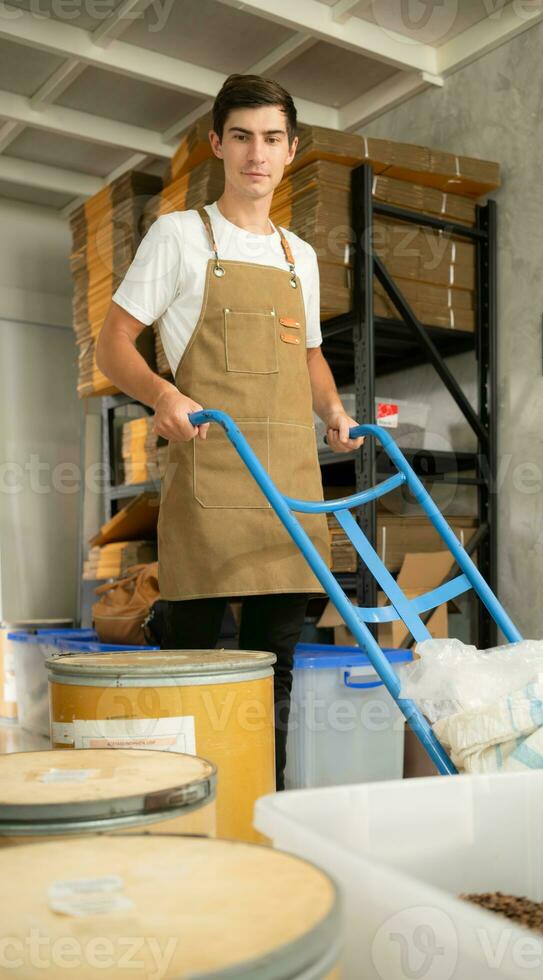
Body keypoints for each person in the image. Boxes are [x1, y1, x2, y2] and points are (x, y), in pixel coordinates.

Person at [96, 73, 363, 789]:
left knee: (272, 676)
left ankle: (255, 807)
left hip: (287, 492)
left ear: (291, 150)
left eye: (272, 139)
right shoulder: (179, 237)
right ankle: (177, 806)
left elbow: (307, 355)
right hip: (210, 481)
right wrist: (160, 393)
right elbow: (113, 343)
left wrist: (333, 412)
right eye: (241, 136)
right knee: (191, 671)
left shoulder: (297, 256)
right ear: (217, 145)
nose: (256, 153)